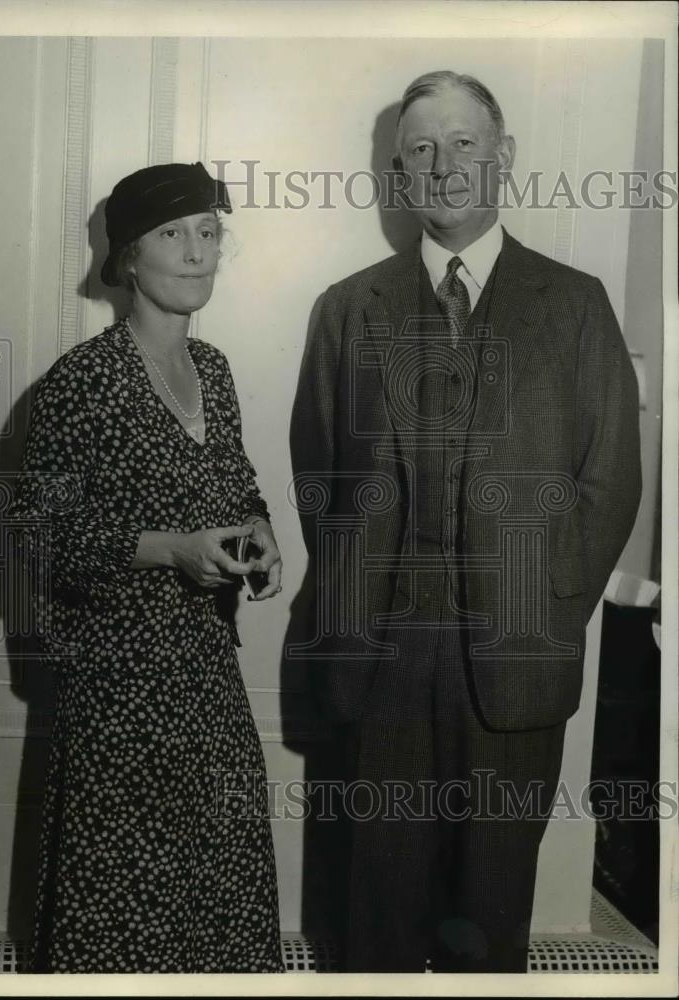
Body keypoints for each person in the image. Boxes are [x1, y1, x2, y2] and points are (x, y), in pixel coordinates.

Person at [290, 71, 641, 973]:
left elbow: (609, 481)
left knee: (488, 917)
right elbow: (320, 474)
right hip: (381, 653)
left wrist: (546, 605)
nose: (441, 166)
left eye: (462, 144)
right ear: (397, 172)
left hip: (516, 651)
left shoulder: (574, 303)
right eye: (419, 148)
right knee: (375, 918)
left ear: (502, 157)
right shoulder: (347, 308)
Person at [11, 162, 285, 973]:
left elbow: (234, 484)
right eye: (172, 234)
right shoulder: (81, 382)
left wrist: (260, 532)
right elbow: (35, 534)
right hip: (117, 691)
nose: (197, 253)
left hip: (205, 677)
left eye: (208, 232)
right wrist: (171, 549)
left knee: (220, 890)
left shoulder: (216, 373)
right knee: (124, 907)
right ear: (129, 257)